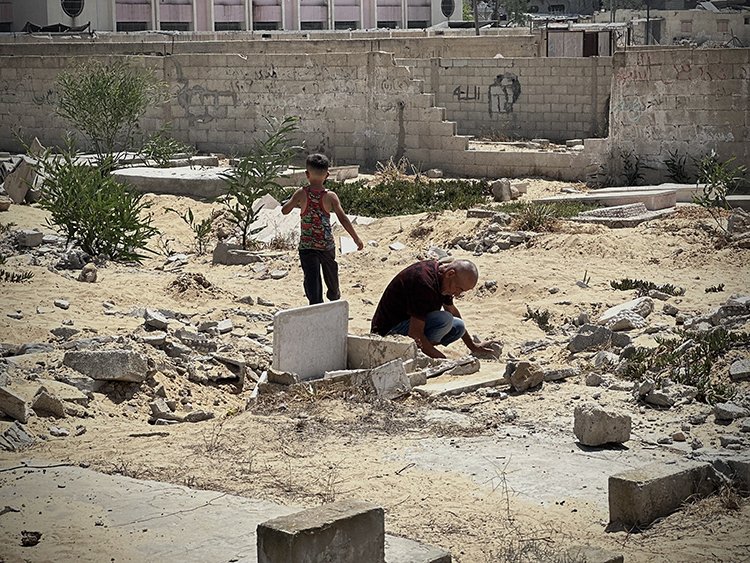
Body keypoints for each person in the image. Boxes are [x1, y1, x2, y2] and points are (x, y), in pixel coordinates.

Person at [370, 259, 499, 359]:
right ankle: (418, 352)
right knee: (444, 320)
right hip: (387, 333)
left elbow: (452, 310)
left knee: (458, 326)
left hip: (410, 324)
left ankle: (423, 350)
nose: (458, 294)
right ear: (450, 274)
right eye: (459, 289)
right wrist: (442, 361)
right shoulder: (424, 282)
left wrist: (472, 346)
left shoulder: (443, 280)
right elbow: (415, 333)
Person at [281, 153, 363, 305]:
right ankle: (333, 294)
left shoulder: (301, 193)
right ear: (327, 175)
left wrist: (293, 202)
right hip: (326, 245)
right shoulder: (330, 196)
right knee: (331, 270)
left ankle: (315, 303)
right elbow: (343, 218)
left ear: (307, 174)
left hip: (307, 246)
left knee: (311, 277)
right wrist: (356, 238)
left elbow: (285, 210)